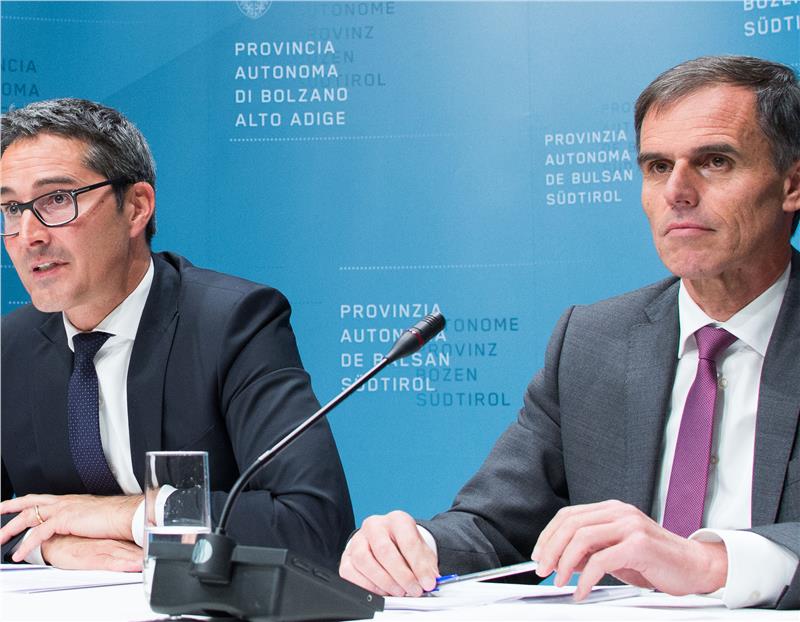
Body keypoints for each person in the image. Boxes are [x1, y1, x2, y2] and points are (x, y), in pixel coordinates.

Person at [339, 55, 800, 609]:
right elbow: (495, 526)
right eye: (657, 167)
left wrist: (711, 563)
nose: (677, 191)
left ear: (791, 183)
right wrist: (414, 548)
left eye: (715, 162)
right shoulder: (593, 341)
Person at [0, 98, 353, 571]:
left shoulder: (232, 323)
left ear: (136, 207)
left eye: (58, 200)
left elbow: (313, 523)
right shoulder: (10, 347)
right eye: (11, 208)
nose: (29, 235)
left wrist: (127, 516)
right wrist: (49, 546)